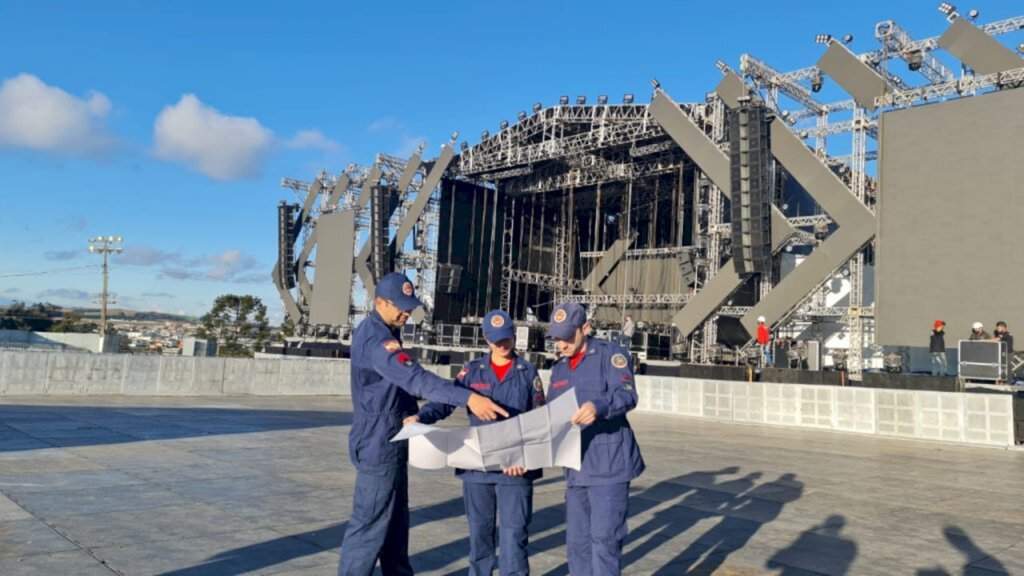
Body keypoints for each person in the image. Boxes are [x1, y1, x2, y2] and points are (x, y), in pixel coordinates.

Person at [338, 273, 509, 576]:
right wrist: (468, 398)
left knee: (394, 523)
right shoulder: (378, 340)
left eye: (409, 307)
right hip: (379, 438)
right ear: (379, 302)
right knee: (369, 525)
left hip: (392, 433)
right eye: (400, 308)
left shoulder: (386, 330)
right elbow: (416, 379)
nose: (406, 313)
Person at [405, 310, 545, 576]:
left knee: (514, 538)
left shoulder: (527, 372)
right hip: (477, 468)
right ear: (485, 339)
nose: (502, 346)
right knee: (479, 538)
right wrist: (421, 416)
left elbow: (540, 419)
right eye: (496, 341)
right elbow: (447, 401)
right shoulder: (472, 370)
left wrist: (524, 457)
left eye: (507, 339)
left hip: (514, 470)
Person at [546, 302, 645, 576]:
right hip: (576, 468)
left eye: (567, 337)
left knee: (605, 543)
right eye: (557, 337)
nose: (562, 344)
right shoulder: (559, 370)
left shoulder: (610, 354)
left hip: (608, 466)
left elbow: (627, 395)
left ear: (585, 329)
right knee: (577, 545)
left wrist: (598, 407)